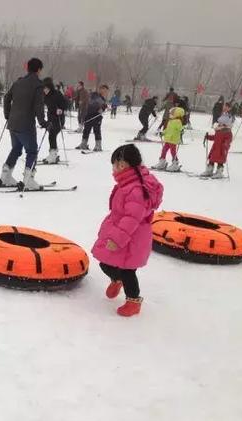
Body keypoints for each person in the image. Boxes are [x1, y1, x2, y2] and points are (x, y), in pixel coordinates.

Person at [92, 144, 163, 317]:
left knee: (128, 271)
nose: (114, 169)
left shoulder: (135, 189)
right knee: (104, 262)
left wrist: (117, 239)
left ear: (123, 165)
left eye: (115, 165)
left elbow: (132, 218)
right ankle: (117, 280)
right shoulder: (129, 182)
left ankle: (134, 300)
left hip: (131, 238)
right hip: (120, 231)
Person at [0, 57, 48, 190]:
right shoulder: (37, 84)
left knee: (16, 149)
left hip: (13, 123)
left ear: (27, 68)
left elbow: (7, 97)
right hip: (26, 125)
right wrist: (43, 122)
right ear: (38, 69)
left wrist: (7, 114)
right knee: (32, 151)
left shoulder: (18, 82)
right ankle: (28, 179)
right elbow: (39, 105)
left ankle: (6, 175)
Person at [76, 84, 109, 152]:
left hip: (97, 117)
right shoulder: (94, 95)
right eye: (104, 90)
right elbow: (93, 102)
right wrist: (103, 106)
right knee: (86, 130)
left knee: (97, 130)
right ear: (100, 89)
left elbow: (102, 106)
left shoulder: (103, 99)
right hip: (89, 115)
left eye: (106, 91)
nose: (105, 92)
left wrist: (103, 108)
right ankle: (84, 144)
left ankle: (98, 145)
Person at [202, 107, 233, 178]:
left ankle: (219, 171)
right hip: (215, 147)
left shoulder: (228, 132)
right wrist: (208, 137)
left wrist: (225, 144)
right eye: (220, 123)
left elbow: (229, 140)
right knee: (212, 159)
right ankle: (209, 170)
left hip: (222, 149)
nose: (220, 125)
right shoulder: (218, 130)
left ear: (226, 124)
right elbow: (215, 138)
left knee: (220, 160)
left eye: (222, 124)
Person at [42, 77, 66, 164]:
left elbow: (65, 103)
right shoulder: (45, 96)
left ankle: (53, 154)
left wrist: (61, 109)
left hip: (59, 118)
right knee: (52, 135)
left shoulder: (57, 94)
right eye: (43, 88)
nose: (44, 90)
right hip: (51, 119)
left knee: (52, 135)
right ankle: (53, 153)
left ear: (50, 87)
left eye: (46, 88)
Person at [153, 107, 184, 171]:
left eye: (172, 113)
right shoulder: (171, 121)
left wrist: (181, 130)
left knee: (173, 151)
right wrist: (163, 133)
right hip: (168, 139)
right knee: (164, 150)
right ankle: (162, 162)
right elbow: (167, 129)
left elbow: (180, 128)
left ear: (177, 114)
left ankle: (175, 163)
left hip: (173, 139)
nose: (170, 114)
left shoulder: (178, 121)